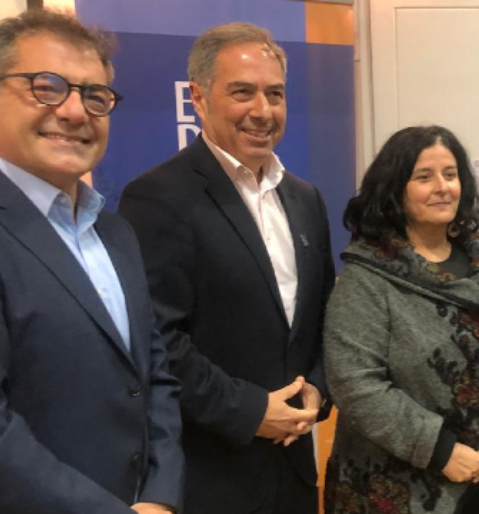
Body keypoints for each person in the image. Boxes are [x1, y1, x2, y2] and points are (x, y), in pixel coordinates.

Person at [0, 9, 182, 514]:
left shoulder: (114, 229)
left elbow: (155, 379)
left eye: (94, 95)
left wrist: (161, 496)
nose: (75, 112)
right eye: (47, 87)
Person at [118, 22, 335, 514]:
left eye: (275, 94)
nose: (262, 111)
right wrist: (253, 411)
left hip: (296, 474)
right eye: (243, 92)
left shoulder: (305, 198)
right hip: (212, 479)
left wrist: (319, 389)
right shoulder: (158, 197)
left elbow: (324, 316)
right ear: (198, 96)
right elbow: (157, 341)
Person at [322, 125, 479, 514]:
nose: (442, 187)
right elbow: (355, 385)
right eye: (424, 177)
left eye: (450, 175)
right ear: (394, 190)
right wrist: (440, 451)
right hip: (398, 488)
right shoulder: (368, 276)